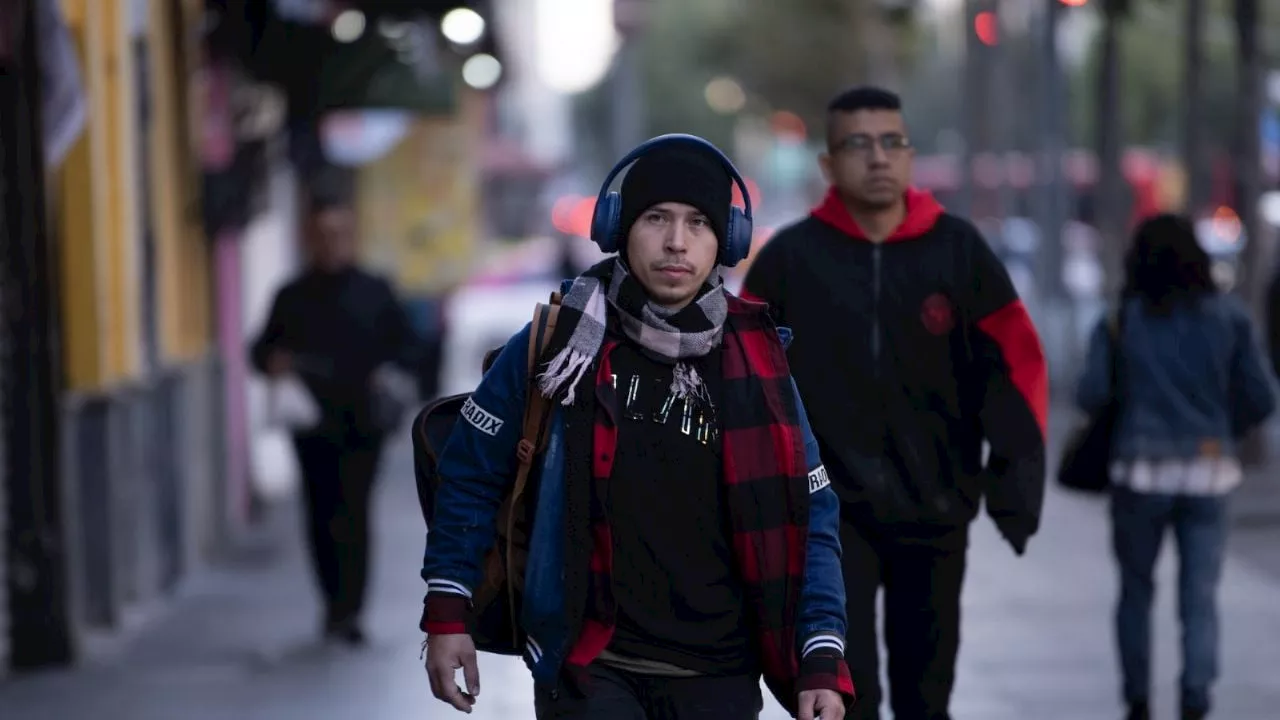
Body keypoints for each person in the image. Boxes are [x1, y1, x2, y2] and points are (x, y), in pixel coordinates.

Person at [421, 135, 854, 720]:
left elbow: (811, 513)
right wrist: (448, 614)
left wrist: (821, 653)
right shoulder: (556, 342)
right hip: (588, 665)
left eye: (698, 222)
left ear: (725, 241)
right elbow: (470, 474)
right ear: (619, 227)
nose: (677, 241)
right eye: (656, 218)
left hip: (719, 673)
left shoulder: (759, 361)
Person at [742, 86, 1049, 720]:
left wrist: (1016, 483)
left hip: (937, 511)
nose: (878, 157)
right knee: (848, 696)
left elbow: (1013, 365)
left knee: (925, 695)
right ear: (828, 164)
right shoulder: (789, 261)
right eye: (858, 143)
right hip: (829, 519)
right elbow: (746, 382)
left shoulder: (959, 252)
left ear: (908, 155)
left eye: (892, 142)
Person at [1077, 214, 1275, 720]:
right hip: (1210, 470)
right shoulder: (1229, 318)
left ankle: (1138, 700)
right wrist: (1223, 426)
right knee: (1200, 596)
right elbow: (1261, 396)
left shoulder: (1123, 318)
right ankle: (1195, 696)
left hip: (1138, 471)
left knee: (1135, 593)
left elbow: (1091, 392)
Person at [250, 180, 419, 646]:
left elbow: (409, 346)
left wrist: (386, 371)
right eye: (322, 234)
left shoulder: (374, 290)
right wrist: (274, 361)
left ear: (351, 236)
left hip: (362, 425)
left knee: (355, 515)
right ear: (310, 238)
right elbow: (260, 349)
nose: (331, 243)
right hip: (310, 428)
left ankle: (351, 611)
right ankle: (331, 603)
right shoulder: (292, 294)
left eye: (339, 233)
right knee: (320, 515)